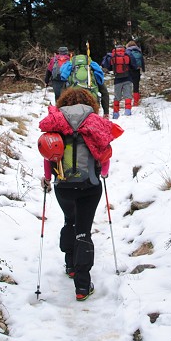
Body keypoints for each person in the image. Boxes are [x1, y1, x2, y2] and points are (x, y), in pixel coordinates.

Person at [39, 88, 114, 301]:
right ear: (89, 102)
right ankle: (82, 286)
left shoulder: (56, 121)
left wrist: (47, 178)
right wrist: (104, 173)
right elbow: (104, 151)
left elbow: (47, 154)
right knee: (84, 230)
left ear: (64, 102)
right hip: (89, 185)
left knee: (69, 220)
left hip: (63, 185)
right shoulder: (94, 121)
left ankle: (70, 265)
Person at [59, 54, 111, 118]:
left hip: (73, 105)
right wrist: (106, 112)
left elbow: (62, 94)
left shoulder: (70, 71)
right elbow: (105, 93)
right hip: (92, 103)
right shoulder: (93, 71)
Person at [101, 44, 134, 118]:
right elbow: (133, 65)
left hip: (117, 79)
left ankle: (116, 114)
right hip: (128, 78)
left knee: (117, 96)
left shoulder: (112, 55)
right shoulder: (127, 54)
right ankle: (128, 112)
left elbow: (107, 66)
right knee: (128, 95)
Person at [125, 40, 145, 106]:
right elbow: (142, 60)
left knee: (128, 86)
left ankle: (128, 102)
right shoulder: (138, 51)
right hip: (137, 70)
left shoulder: (127, 52)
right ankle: (136, 102)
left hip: (129, 70)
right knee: (136, 86)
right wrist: (143, 69)